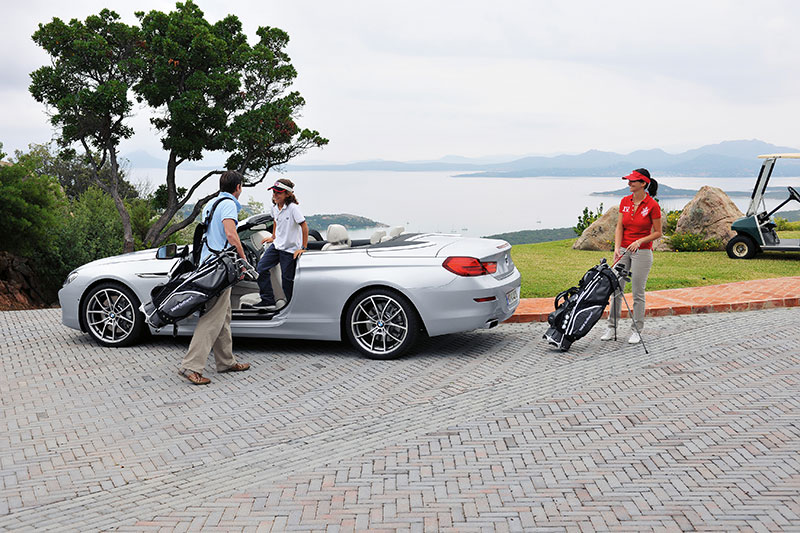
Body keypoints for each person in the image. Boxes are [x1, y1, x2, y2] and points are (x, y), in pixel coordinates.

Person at [179, 170, 251, 385]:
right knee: (212, 318)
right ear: (238, 187)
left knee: (223, 315)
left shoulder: (212, 204)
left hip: (208, 264)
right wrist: (243, 258)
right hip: (220, 267)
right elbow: (230, 234)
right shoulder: (229, 205)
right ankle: (191, 367)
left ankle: (226, 362)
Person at [600, 168, 662, 344]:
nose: (629, 183)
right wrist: (617, 248)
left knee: (637, 292)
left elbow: (658, 232)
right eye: (629, 180)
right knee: (615, 290)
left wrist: (640, 241)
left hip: (642, 251)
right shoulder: (625, 201)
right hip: (624, 250)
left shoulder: (652, 205)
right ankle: (611, 328)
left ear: (643, 183)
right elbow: (620, 227)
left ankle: (636, 330)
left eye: (633, 181)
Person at [254, 178, 309, 310]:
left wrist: (303, 248)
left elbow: (304, 226)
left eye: (278, 192)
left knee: (287, 280)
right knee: (261, 269)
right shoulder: (274, 208)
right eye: (274, 192)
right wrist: (273, 237)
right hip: (277, 246)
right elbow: (276, 222)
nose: (275, 195)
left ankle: (291, 307)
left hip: (289, 250)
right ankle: (267, 300)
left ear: (287, 194)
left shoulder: (293, 208)